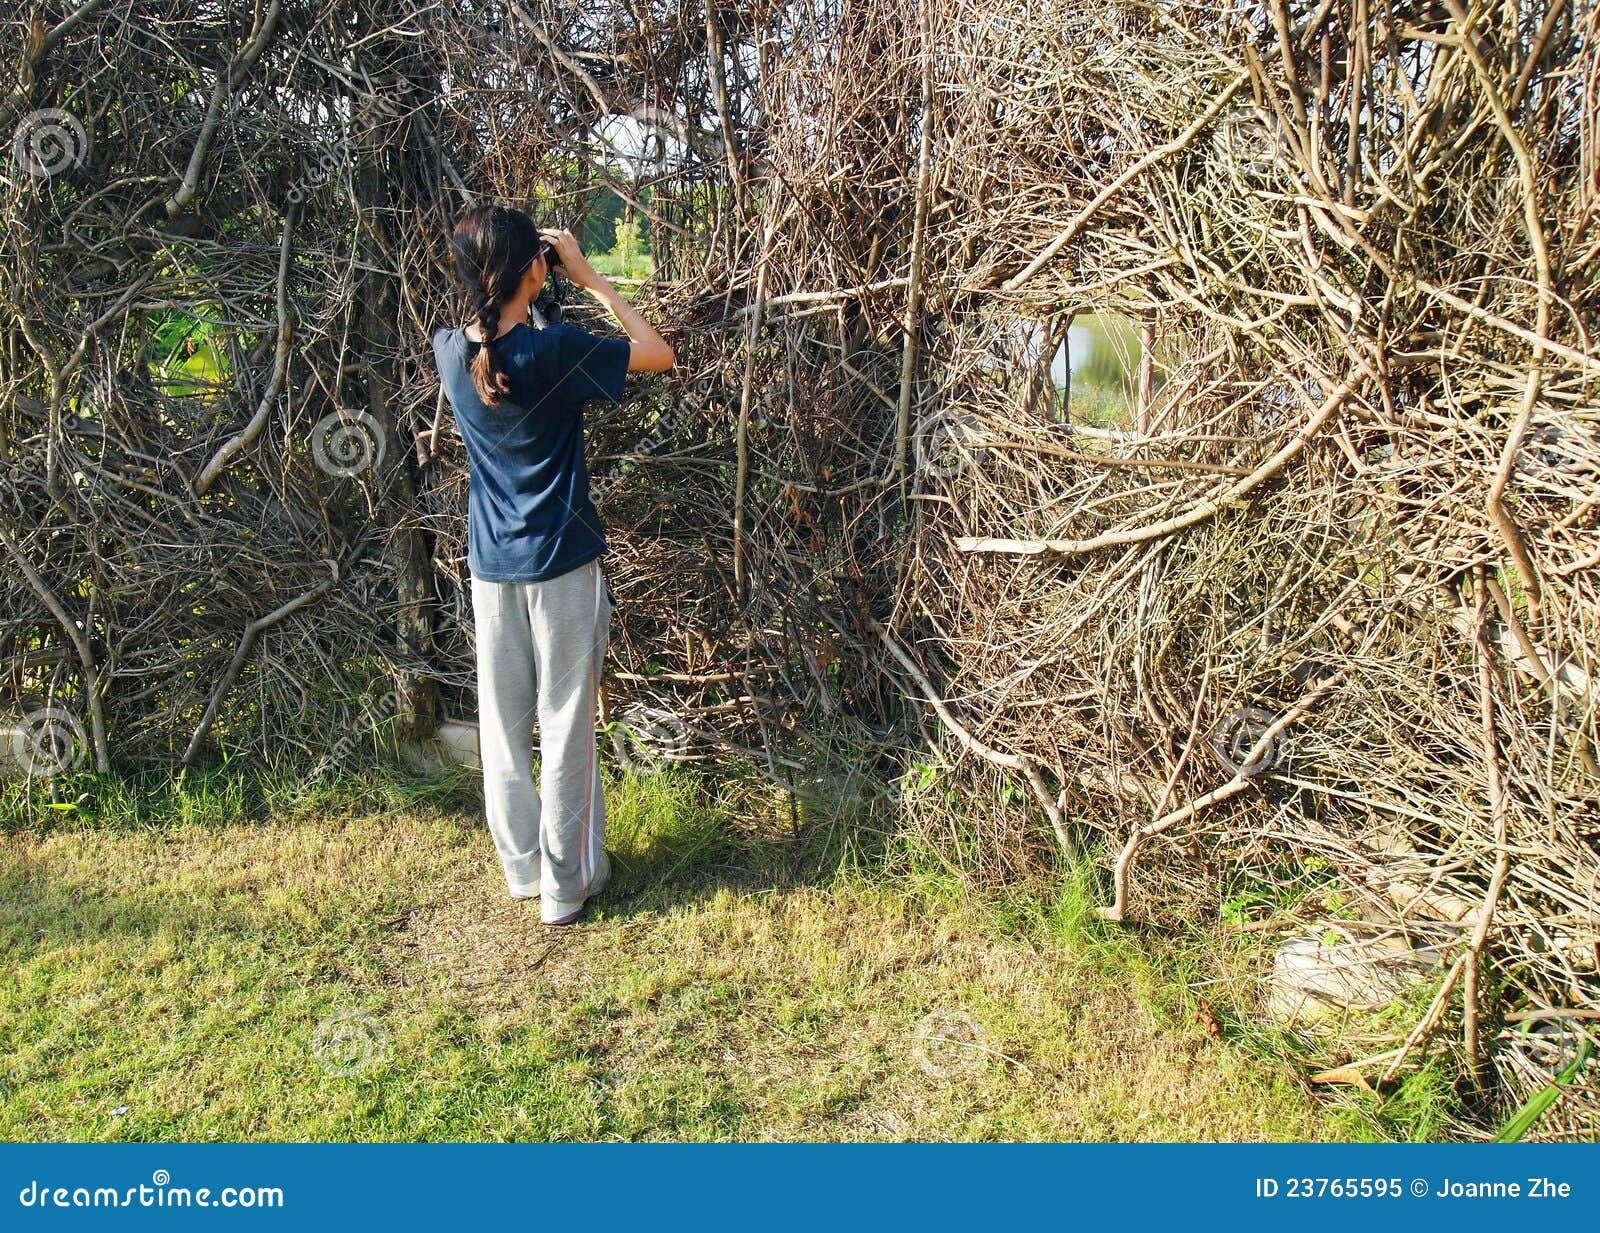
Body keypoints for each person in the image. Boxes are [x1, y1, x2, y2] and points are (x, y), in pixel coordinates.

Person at [431, 204, 674, 925]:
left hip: (492, 565)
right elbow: (656, 351)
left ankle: (523, 871)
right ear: (533, 270)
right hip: (562, 564)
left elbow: (494, 350)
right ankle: (566, 888)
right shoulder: (559, 350)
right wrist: (592, 278)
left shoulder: (449, 350)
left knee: (503, 724)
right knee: (565, 723)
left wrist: (531, 286)